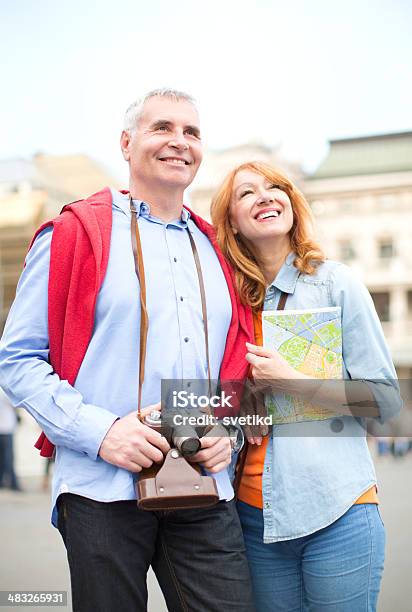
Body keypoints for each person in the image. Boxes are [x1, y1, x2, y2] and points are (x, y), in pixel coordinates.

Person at [0, 89, 255, 612]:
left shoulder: (217, 249)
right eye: (162, 128)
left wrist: (225, 431)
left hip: (202, 481)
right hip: (101, 488)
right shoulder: (76, 233)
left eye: (192, 132)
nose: (179, 142)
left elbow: (232, 367)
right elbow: (18, 358)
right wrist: (103, 433)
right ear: (126, 142)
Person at [211, 161, 401, 612]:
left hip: (337, 511)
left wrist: (292, 381)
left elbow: (386, 400)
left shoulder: (335, 284)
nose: (265, 196)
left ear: (292, 204)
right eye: (247, 193)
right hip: (253, 520)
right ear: (232, 223)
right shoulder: (224, 302)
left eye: (276, 187)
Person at [0, 387, 21, 491]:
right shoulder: (5, 391)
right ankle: (13, 483)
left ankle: (3, 482)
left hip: (5, 428)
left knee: (3, 458)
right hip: (7, 429)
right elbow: (16, 403)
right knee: (9, 458)